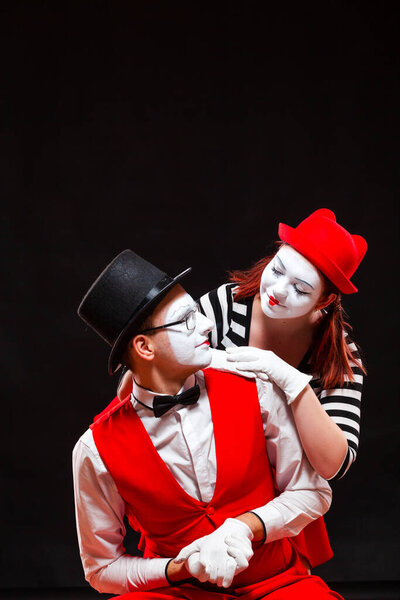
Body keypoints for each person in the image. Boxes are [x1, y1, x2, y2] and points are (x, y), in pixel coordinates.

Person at [73, 249, 343, 599]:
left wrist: (246, 528)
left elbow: (313, 490)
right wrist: (179, 567)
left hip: (277, 583)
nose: (208, 325)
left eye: (198, 312)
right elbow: (102, 569)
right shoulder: (95, 450)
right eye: (187, 319)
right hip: (177, 591)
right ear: (144, 347)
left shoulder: (256, 387)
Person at [117, 208, 367, 570]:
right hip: (205, 476)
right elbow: (145, 377)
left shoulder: (339, 355)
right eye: (277, 270)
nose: (278, 291)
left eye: (301, 289)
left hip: (281, 498)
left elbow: (333, 464)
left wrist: (289, 379)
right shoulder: (228, 303)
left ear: (325, 301)